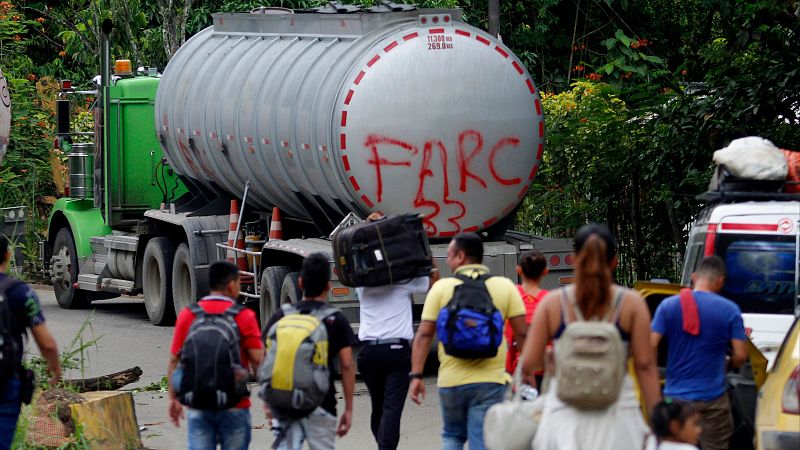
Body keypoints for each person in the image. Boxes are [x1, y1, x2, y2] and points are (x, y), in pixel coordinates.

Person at [519, 223, 661, 450]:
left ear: (575, 260)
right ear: (614, 261)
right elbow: (645, 365)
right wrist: (658, 423)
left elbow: (530, 362)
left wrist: (551, 355)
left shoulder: (553, 304)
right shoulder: (632, 303)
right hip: (618, 417)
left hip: (564, 418)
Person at [409, 232, 528, 450]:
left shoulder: (441, 289)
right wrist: (526, 371)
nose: (448, 259)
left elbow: (424, 334)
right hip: (491, 380)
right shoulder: (504, 286)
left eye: (450, 255)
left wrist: (416, 375)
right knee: (481, 439)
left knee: (452, 436)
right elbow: (522, 334)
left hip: (451, 381)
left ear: (461, 256)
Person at [356, 212, 437, 450]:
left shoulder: (363, 283)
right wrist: (424, 251)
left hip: (368, 353)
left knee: (378, 408)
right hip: (396, 352)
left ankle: (383, 445)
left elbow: (357, 252)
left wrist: (367, 227)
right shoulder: (404, 281)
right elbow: (433, 282)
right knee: (392, 410)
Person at [651, 255, 747, 450]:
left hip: (676, 400)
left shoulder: (668, 306)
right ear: (720, 281)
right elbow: (741, 355)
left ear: (694, 277)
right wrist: (727, 363)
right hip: (713, 400)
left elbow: (651, 345)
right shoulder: (730, 310)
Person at [263, 252, 356, 450]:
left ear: (300, 282)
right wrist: (348, 409)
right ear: (328, 286)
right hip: (322, 404)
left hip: (284, 404)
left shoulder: (281, 315)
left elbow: (267, 358)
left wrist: (268, 402)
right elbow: (347, 365)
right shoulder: (335, 319)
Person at [167, 261, 264, 450]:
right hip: (235, 404)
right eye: (238, 282)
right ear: (231, 285)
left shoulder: (189, 314)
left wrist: (173, 399)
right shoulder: (243, 315)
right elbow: (258, 360)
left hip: (199, 404)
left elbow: (173, 361)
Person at [0, 236, 61, 450]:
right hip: (5, 382)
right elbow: (47, 345)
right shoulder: (20, 292)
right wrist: (54, 369)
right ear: (7, 255)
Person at [505, 250, 548, 377]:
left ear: (518, 270)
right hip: (542, 367)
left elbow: (507, 335)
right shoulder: (549, 300)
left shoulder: (511, 295)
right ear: (545, 272)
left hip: (517, 368)